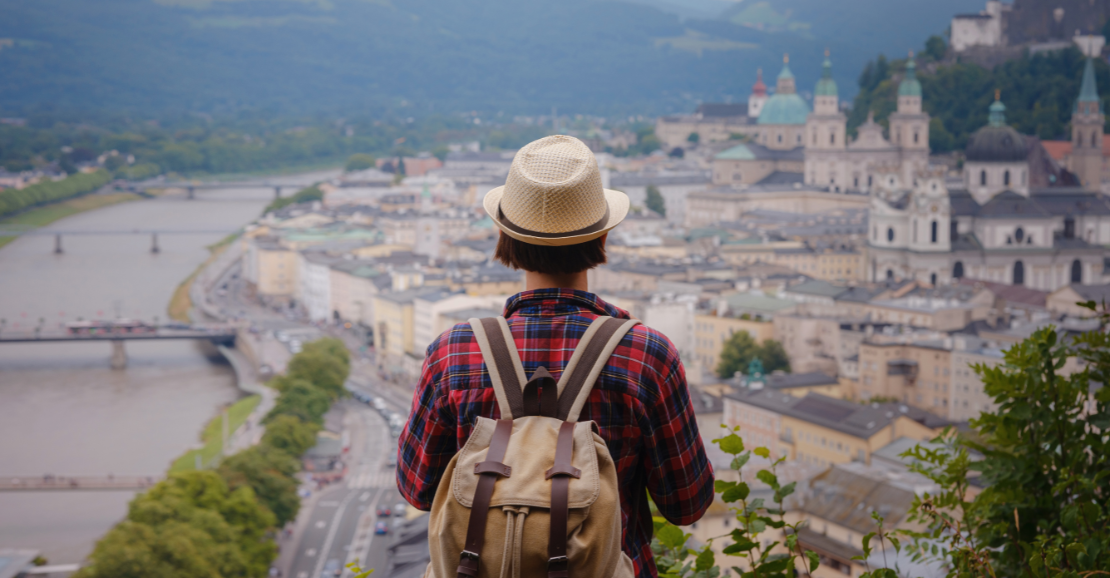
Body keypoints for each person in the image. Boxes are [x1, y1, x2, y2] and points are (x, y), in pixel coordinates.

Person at [397, 135, 713, 577]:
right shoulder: (647, 356)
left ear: (505, 234)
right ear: (602, 233)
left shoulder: (452, 354)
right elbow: (687, 504)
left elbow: (417, 490)